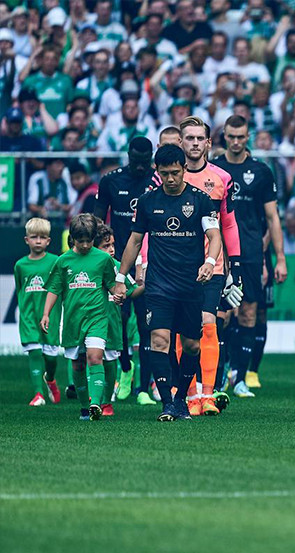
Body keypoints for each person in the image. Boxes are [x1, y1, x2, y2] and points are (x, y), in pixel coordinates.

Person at [114, 144, 223, 422]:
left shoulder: (200, 200)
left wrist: (210, 263)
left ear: (184, 169)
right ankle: (167, 404)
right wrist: (120, 278)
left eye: (175, 173)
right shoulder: (148, 202)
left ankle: (180, 400)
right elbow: (134, 241)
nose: (171, 179)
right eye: (165, 174)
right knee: (159, 340)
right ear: (158, 172)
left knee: (192, 346)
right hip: (159, 284)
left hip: (190, 284)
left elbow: (214, 234)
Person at [213, 115, 287, 392]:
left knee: (248, 313)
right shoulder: (214, 169)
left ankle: (240, 377)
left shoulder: (261, 171)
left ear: (248, 137)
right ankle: (218, 375)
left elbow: (273, 217)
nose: (235, 141)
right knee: (221, 316)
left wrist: (280, 258)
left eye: (240, 136)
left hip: (252, 253)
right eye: (231, 136)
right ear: (224, 137)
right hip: (219, 253)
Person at [174, 116, 244, 406]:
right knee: (182, 331)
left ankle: (207, 394)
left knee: (209, 324)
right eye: (188, 138)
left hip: (213, 264)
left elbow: (228, 224)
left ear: (208, 142)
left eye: (199, 138)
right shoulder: (170, 176)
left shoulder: (221, 178)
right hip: (177, 265)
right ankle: (187, 393)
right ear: (180, 142)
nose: (194, 143)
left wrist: (235, 265)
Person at [94, 137, 158, 405]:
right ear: (128, 156)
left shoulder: (158, 180)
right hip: (116, 263)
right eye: (136, 161)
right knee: (118, 320)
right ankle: (126, 368)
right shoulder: (111, 181)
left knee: (147, 325)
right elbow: (97, 222)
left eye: (146, 162)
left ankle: (144, 387)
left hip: (149, 261)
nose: (141, 167)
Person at [41, 214, 118, 421]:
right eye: (80, 240)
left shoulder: (103, 259)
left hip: (97, 318)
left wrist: (118, 294)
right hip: (73, 321)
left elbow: (111, 285)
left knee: (95, 357)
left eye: (89, 240)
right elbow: (54, 289)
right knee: (78, 364)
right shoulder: (63, 261)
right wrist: (46, 313)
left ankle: (96, 403)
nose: (84, 245)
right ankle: (85, 407)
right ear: (72, 238)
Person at [95, 223, 144, 417]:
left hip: (112, 324)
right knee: (91, 360)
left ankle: (107, 402)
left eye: (112, 245)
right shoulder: (89, 266)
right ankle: (93, 399)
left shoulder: (118, 267)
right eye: (106, 246)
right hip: (90, 322)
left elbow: (133, 291)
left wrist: (148, 283)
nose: (112, 249)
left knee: (108, 363)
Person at [16, 218, 63, 407]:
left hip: (50, 317)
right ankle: (38, 394)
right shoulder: (20, 265)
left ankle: (50, 379)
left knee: (51, 357)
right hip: (28, 316)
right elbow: (21, 288)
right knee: (34, 352)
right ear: (26, 239)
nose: (38, 241)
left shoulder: (55, 262)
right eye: (34, 237)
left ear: (48, 241)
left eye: (42, 237)